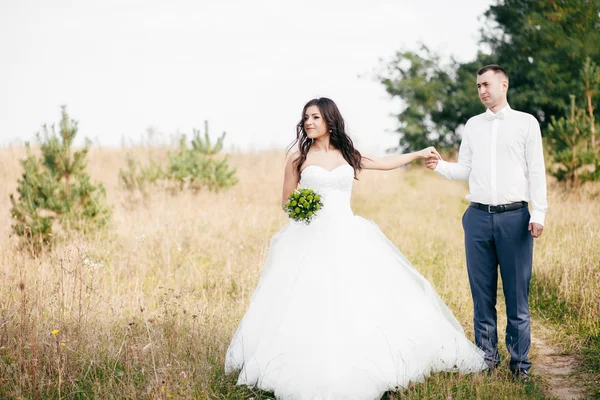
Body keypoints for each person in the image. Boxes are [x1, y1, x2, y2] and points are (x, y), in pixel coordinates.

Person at [225, 97, 487, 400]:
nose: (309, 122)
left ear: (329, 121)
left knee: (362, 296)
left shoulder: (348, 154)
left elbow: (385, 163)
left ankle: (373, 358)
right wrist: (303, 206)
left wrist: (417, 153)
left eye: (315, 118)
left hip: (348, 233)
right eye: (306, 118)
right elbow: (285, 202)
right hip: (309, 238)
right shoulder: (298, 157)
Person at [425, 65, 548, 381]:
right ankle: (487, 361)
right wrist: (439, 166)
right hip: (477, 218)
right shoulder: (473, 125)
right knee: (482, 297)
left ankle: (519, 366)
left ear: (504, 84)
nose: (481, 90)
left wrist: (539, 214)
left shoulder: (526, 123)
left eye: (486, 84)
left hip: (516, 218)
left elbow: (536, 171)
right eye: (478, 86)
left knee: (517, 298)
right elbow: (465, 168)